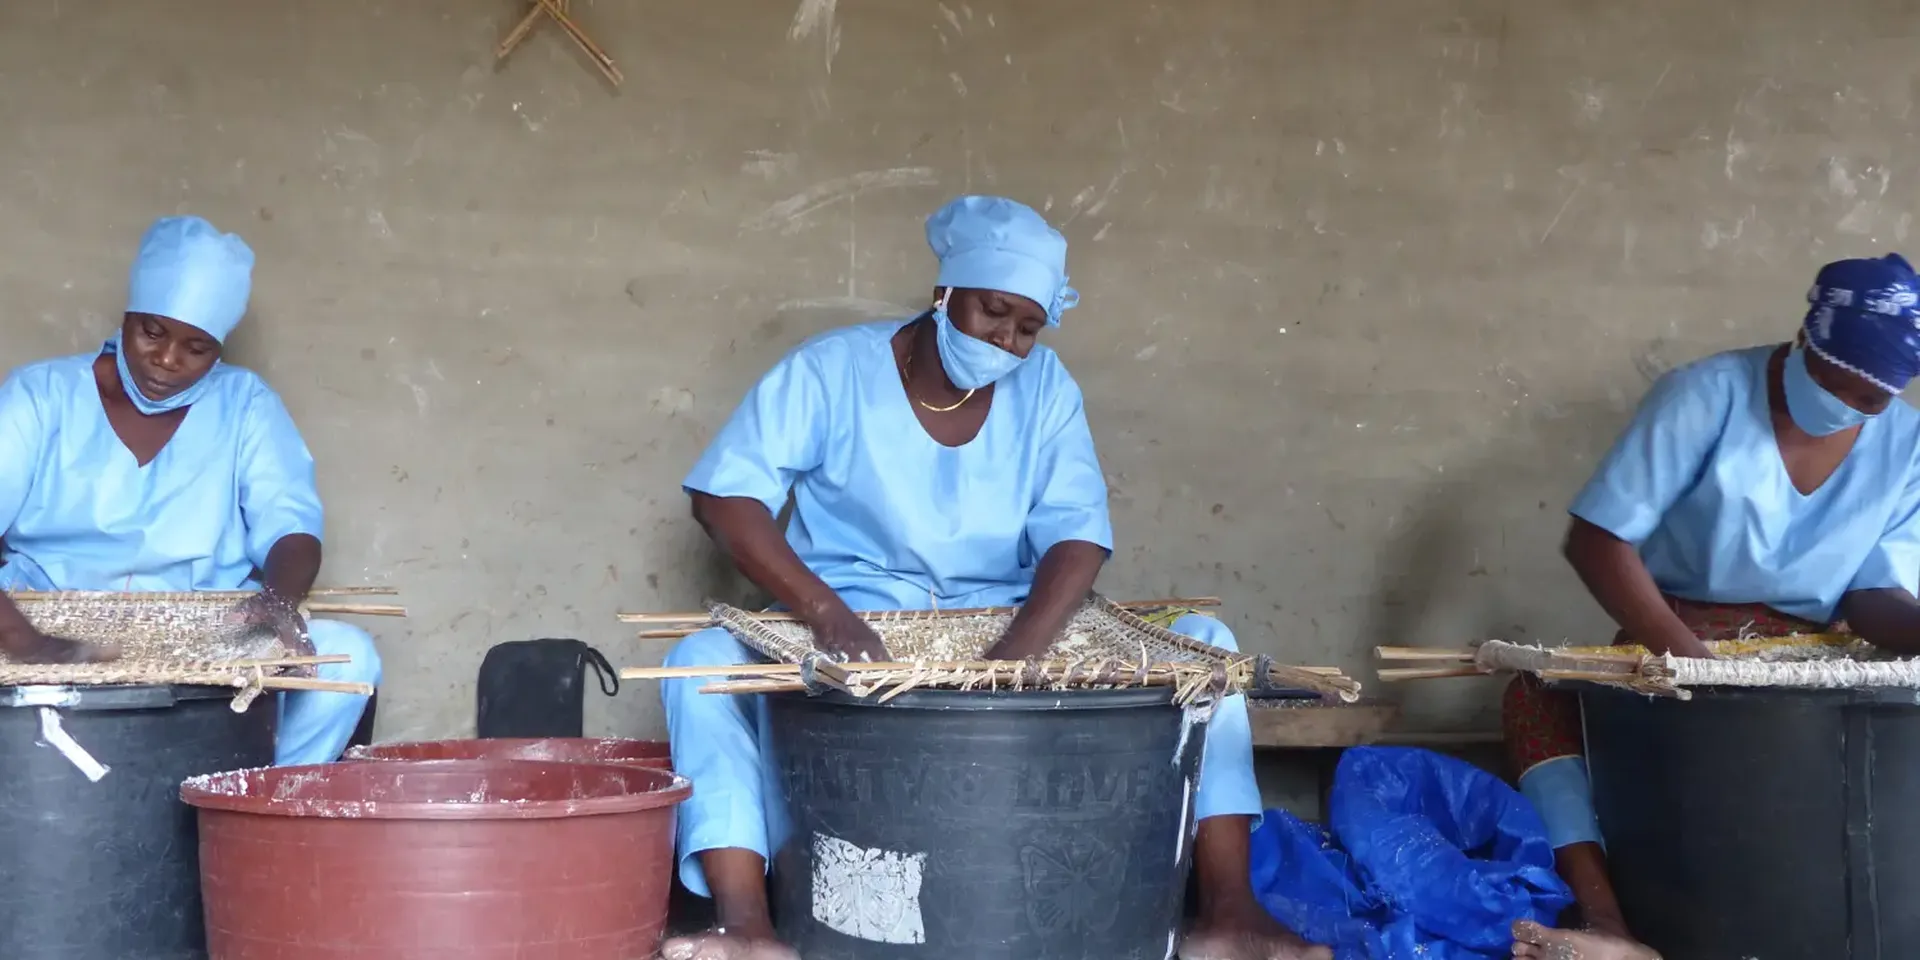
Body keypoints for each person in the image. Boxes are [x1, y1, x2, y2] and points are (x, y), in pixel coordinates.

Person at [658, 195, 1331, 960]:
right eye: (992, 313)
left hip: (1004, 617)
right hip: (857, 614)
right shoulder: (831, 369)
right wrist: (825, 613)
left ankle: (1229, 915)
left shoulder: (1045, 388)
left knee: (1209, 647)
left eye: (1027, 326)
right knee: (698, 663)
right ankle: (746, 927)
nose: (1006, 340)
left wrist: (1021, 651)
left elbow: (1077, 534)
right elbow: (724, 495)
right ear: (945, 294)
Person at [1504, 254, 1920, 960]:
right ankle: (1607, 922)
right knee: (1531, 701)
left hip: (1813, 653)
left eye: (1870, 398)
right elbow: (1599, 541)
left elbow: (1872, 596)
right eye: (1831, 379)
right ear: (1804, 339)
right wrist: (1690, 663)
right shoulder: (1704, 397)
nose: (1847, 405)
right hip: (1670, 635)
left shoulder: (1906, 446)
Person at [0, 215, 382, 767]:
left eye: (196, 346)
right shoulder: (41, 396)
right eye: (151, 332)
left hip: (205, 626)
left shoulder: (246, 405)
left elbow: (292, 526)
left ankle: (245, 810)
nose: (168, 359)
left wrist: (275, 603)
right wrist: (26, 642)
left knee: (350, 659)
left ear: (218, 351)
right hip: (43, 615)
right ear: (127, 317)